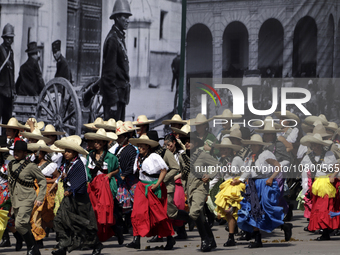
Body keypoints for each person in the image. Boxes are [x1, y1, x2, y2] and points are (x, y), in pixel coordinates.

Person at [237, 134, 292, 248]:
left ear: (259, 145)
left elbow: (278, 166)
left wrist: (271, 178)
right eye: (251, 145)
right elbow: (248, 170)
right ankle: (258, 240)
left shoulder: (266, 154)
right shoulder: (251, 156)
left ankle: (284, 226)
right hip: (253, 185)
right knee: (254, 211)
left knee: (267, 210)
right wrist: (240, 180)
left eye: (254, 145)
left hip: (265, 183)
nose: (252, 146)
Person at [53, 137, 103, 255]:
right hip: (68, 199)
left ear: (75, 153)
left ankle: (96, 244)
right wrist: (65, 177)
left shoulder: (79, 164)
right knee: (59, 220)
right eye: (65, 151)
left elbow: (81, 180)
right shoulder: (67, 163)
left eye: (69, 151)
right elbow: (70, 177)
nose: (66, 153)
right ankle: (62, 247)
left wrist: (71, 189)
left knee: (83, 224)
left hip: (80, 199)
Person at [125, 135, 174, 250]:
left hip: (154, 187)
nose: (140, 147)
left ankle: (170, 238)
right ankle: (136, 240)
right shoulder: (138, 156)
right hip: (141, 187)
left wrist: (157, 184)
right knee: (137, 213)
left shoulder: (154, 156)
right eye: (139, 145)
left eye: (142, 145)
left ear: (147, 146)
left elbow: (164, 170)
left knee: (159, 215)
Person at [84, 129, 123, 244]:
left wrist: (110, 174)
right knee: (94, 211)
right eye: (95, 141)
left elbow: (117, 168)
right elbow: (88, 171)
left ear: (104, 143)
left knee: (105, 210)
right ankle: (97, 237)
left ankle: (116, 230)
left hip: (106, 186)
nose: (96, 144)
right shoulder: (90, 156)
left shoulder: (111, 157)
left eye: (99, 142)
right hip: (94, 186)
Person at [7, 140, 47, 255]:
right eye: (15, 151)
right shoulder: (10, 164)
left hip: (27, 198)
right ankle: (34, 248)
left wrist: (40, 198)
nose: (16, 153)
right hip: (15, 199)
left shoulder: (31, 166)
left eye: (19, 151)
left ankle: (31, 246)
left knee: (20, 224)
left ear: (25, 153)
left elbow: (42, 181)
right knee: (21, 225)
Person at [300, 133, 340, 240]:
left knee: (325, 208)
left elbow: (337, 167)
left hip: (327, 183)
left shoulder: (329, 154)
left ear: (321, 145)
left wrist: (333, 175)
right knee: (318, 208)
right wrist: (306, 185)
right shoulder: (308, 157)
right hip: (317, 184)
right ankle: (325, 231)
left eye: (316, 144)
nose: (314, 147)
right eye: (312, 145)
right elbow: (303, 169)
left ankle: (326, 231)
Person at [100, 0, 132, 121]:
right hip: (114, 98)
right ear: (117, 17)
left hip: (120, 96)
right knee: (112, 135)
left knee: (119, 134)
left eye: (128, 17)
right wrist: (113, 102)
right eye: (125, 17)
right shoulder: (113, 39)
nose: (127, 20)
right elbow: (108, 74)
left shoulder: (119, 37)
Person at [28, 140, 58, 249]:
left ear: (43, 153)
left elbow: (57, 178)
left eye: (38, 152)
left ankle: (59, 230)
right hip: (34, 191)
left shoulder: (51, 165)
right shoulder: (32, 165)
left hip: (46, 191)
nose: (35, 154)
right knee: (36, 214)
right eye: (34, 152)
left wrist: (45, 181)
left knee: (46, 217)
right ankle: (38, 238)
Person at [0, 136, 23, 251]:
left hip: (5, 191)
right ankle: (18, 236)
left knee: (3, 216)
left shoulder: (9, 162)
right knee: (7, 219)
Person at [0, 23, 15, 135]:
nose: (10, 40)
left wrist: (13, 89)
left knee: (7, 122)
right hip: (0, 92)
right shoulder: (0, 50)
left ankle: (3, 147)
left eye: (11, 38)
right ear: (4, 38)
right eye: (8, 38)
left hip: (9, 93)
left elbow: (12, 72)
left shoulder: (11, 52)